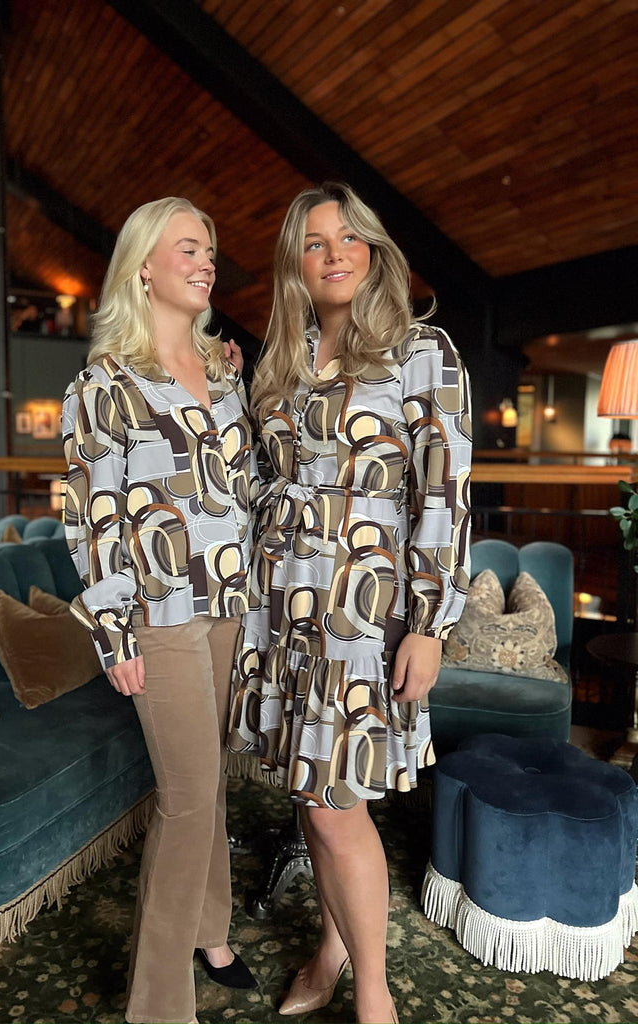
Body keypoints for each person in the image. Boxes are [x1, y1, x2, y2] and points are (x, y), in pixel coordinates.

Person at [228, 182, 472, 1024]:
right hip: (282, 606)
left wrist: (432, 624)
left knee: (337, 812)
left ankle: (375, 994)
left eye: (349, 238)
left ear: (374, 251)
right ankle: (332, 948)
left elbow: (444, 496)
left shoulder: (421, 350)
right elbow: (256, 479)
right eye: (314, 242)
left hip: (364, 611)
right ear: (294, 264)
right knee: (312, 793)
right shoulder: (283, 359)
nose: (334, 254)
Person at [62, 196, 258, 1024]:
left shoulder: (224, 370)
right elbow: (93, 515)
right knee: (186, 797)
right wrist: (114, 632)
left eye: (209, 249)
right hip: (162, 613)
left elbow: (243, 490)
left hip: (231, 603)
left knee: (213, 780)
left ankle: (212, 931)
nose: (206, 261)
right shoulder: (102, 385)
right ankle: (157, 1004)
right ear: (143, 265)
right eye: (188, 247)